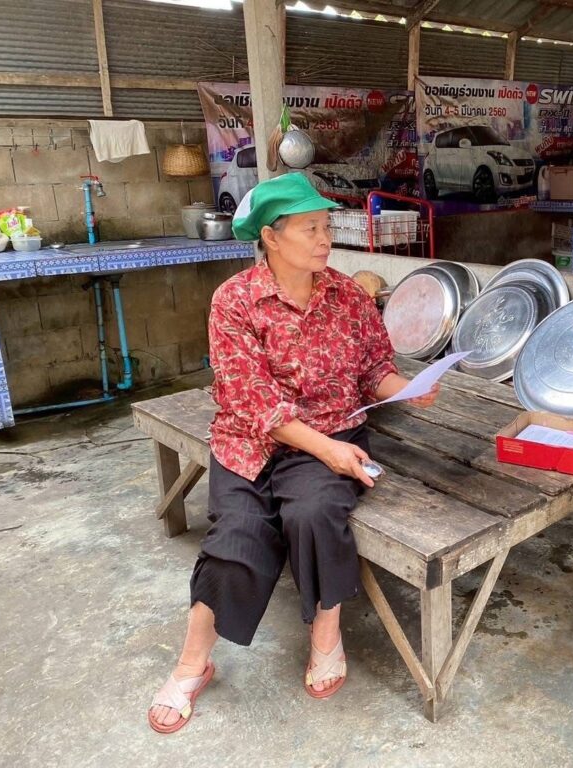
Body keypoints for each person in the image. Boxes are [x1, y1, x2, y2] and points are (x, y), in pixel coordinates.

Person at [147, 173, 439, 733]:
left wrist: (404, 388)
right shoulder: (234, 301)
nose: (325, 238)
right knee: (236, 536)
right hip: (250, 441)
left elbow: (374, 368)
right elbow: (253, 400)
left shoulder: (349, 296)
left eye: (327, 226)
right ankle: (191, 664)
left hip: (333, 431)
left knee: (314, 513)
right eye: (310, 228)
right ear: (271, 237)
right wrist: (328, 451)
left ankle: (326, 634)